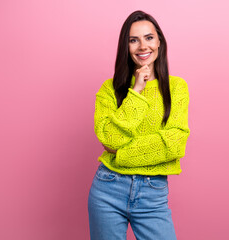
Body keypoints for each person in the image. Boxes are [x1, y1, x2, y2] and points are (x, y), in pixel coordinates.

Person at [88, 10, 190, 240]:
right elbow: (109, 140)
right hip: (108, 189)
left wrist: (121, 154)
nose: (143, 46)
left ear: (159, 42)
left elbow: (173, 144)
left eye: (149, 37)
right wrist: (136, 91)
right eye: (133, 40)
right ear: (126, 46)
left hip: (152, 193)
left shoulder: (176, 88)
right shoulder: (109, 90)